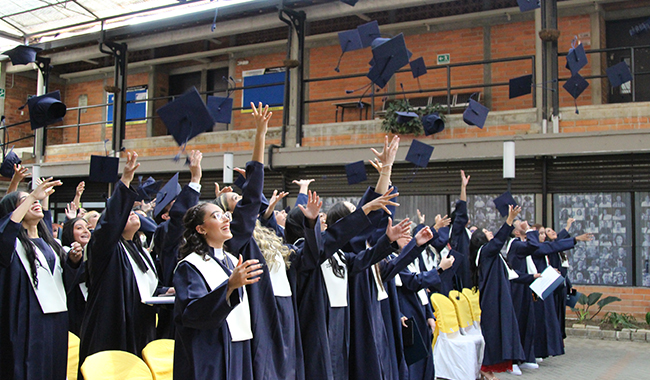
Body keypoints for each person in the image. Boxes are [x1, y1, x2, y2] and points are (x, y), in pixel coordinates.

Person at [78, 152, 167, 375]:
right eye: (125, 213)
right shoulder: (105, 248)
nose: (133, 214)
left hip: (141, 324)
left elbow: (145, 285)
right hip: (113, 324)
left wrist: (166, 291)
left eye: (134, 211)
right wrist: (125, 181)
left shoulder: (140, 251)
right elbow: (107, 225)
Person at [173, 197, 263, 379]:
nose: (226, 219)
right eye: (217, 216)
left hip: (238, 342)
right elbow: (191, 312)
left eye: (226, 215)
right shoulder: (190, 265)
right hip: (209, 349)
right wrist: (229, 286)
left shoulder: (231, 259)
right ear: (201, 229)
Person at [0, 177, 78, 379]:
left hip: (56, 316)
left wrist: (73, 261)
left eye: (34, 200)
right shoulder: (11, 244)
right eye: (25, 201)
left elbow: (62, 277)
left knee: (53, 366)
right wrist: (33, 194)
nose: (34, 202)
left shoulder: (50, 244)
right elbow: (6, 231)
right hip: (26, 315)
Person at [469, 205, 527, 380]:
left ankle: (490, 367)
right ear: (480, 239)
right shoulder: (485, 252)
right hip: (492, 300)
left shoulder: (489, 254)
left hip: (499, 297)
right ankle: (485, 368)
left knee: (499, 332)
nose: (490, 233)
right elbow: (499, 240)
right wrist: (509, 220)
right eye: (486, 231)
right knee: (493, 334)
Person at [61, 216, 92, 336]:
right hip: (74, 309)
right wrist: (74, 262)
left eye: (87, 228)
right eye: (79, 228)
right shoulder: (63, 252)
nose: (85, 231)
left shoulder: (92, 252)